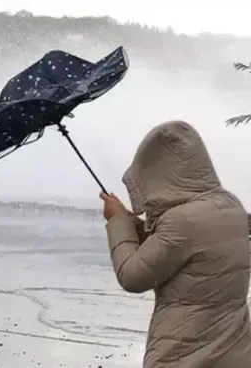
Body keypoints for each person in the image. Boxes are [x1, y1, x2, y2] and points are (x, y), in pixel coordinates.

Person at [100, 120, 251, 367]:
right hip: (234, 350)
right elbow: (180, 249)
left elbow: (132, 276)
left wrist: (118, 222)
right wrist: (130, 221)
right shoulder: (230, 205)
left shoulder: (182, 221)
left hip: (185, 353)